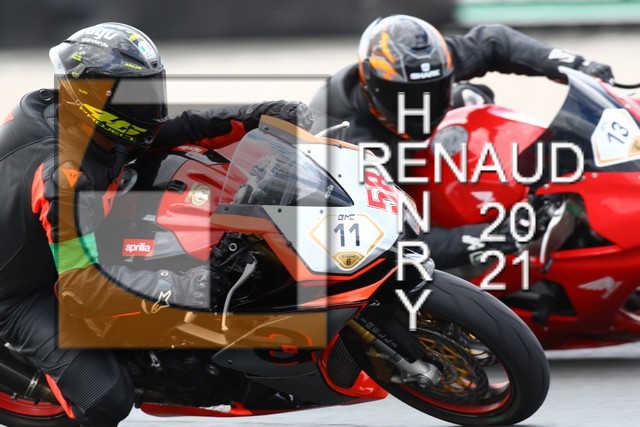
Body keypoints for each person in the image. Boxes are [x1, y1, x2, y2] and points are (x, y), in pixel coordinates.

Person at [0, 22, 312, 427]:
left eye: (149, 89)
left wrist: (258, 116)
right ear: (91, 95)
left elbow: (182, 128)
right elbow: (82, 287)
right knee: (106, 401)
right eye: (132, 95)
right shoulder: (63, 175)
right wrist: (186, 286)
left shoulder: (83, 118)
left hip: (66, 233)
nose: (147, 105)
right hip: (23, 291)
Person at [309, 15, 613, 268]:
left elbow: (494, 41)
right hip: (359, 203)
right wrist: (491, 235)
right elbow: (387, 244)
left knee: (472, 97)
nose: (423, 108)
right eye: (410, 98)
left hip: (406, 148)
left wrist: (576, 65)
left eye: (434, 91)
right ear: (373, 87)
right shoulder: (348, 141)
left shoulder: (423, 65)